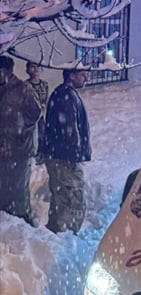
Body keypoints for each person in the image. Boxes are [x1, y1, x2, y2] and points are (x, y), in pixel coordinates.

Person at [44, 64, 92, 234]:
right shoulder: (65, 96)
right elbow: (69, 130)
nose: (86, 77)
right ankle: (67, 235)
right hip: (65, 158)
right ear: (71, 76)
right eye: (82, 74)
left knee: (61, 196)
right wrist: (75, 155)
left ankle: (57, 232)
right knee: (72, 198)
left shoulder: (65, 94)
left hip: (60, 155)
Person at [0, 54, 42, 224]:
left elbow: (36, 112)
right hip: (2, 147)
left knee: (18, 185)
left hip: (19, 148)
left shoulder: (22, 89)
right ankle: (4, 214)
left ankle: (22, 216)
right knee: (3, 184)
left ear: (8, 71)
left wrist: (22, 132)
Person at [25, 61, 49, 162]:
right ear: (27, 70)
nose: (35, 70)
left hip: (41, 115)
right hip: (30, 116)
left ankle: (42, 154)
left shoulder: (44, 84)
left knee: (42, 133)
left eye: (38, 67)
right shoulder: (25, 85)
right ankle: (33, 154)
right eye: (32, 67)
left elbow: (45, 100)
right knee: (32, 137)